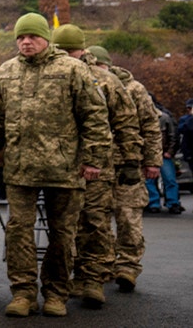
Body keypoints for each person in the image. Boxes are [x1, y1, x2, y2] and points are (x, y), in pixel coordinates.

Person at [0, 13, 111, 318]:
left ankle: (55, 293)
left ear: (46, 39)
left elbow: (94, 116)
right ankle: (23, 293)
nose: (26, 42)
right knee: (18, 232)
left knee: (63, 235)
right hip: (20, 170)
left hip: (64, 170)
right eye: (21, 37)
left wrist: (93, 160)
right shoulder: (6, 71)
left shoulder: (72, 69)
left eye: (33, 37)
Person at [51, 25, 142, 309]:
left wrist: (130, 161)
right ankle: (74, 275)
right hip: (59, 165)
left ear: (82, 49)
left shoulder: (104, 79)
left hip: (99, 166)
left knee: (95, 222)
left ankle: (93, 279)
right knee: (67, 225)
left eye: (71, 51)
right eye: (61, 50)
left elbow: (127, 122)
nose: (67, 56)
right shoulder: (49, 77)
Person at [88, 45, 162, 293]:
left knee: (128, 217)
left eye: (99, 66)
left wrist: (152, 161)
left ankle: (128, 266)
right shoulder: (86, 85)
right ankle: (105, 263)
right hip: (98, 165)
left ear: (107, 65)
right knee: (98, 219)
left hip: (126, 164)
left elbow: (151, 127)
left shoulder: (134, 89)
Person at [147, 95, 184, 214]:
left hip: (164, 154)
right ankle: (154, 203)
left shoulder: (164, 118)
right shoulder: (143, 118)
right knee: (149, 180)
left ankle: (173, 203)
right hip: (149, 155)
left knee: (169, 179)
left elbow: (173, 136)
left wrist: (170, 152)